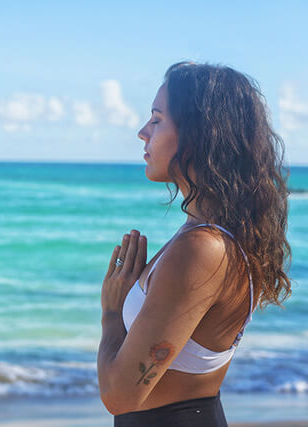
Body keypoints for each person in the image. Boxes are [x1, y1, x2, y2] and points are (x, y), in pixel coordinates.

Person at [97, 61, 293, 426]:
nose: (143, 132)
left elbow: (119, 396)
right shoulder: (206, 235)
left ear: (199, 134)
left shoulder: (203, 248)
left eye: (157, 119)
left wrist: (111, 314)